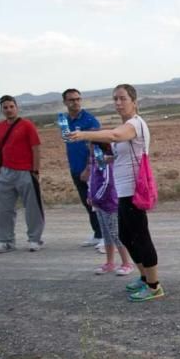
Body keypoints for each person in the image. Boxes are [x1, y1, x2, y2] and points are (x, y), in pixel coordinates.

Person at [67, 84, 163, 302]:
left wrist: (83, 134)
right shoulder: (127, 125)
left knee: (141, 237)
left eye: (123, 99)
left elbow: (114, 135)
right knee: (126, 236)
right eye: (115, 99)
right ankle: (144, 276)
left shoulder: (134, 125)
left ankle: (154, 286)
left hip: (133, 191)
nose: (118, 103)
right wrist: (106, 160)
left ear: (134, 101)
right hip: (122, 190)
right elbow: (121, 154)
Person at [0, 95, 44, 253]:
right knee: (3, 209)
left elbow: (36, 148)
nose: (8, 110)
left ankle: (35, 239)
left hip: (25, 171)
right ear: (1, 110)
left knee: (32, 207)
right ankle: (6, 241)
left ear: (16, 107)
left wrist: (35, 170)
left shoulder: (27, 125)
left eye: (11, 106)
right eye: (5, 107)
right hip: (5, 173)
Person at [61, 88, 105, 252]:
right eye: (71, 100)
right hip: (75, 168)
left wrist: (88, 168)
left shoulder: (89, 120)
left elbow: (96, 146)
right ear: (65, 102)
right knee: (87, 204)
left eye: (78, 99)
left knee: (97, 204)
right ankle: (97, 234)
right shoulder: (65, 121)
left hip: (90, 170)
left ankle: (105, 238)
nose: (76, 102)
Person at [86, 142, 135, 276]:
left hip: (109, 203)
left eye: (90, 145)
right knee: (106, 234)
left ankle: (126, 263)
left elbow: (107, 182)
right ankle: (110, 262)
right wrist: (90, 195)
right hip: (99, 203)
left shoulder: (105, 162)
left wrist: (96, 197)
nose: (87, 147)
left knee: (116, 233)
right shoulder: (94, 160)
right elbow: (91, 180)